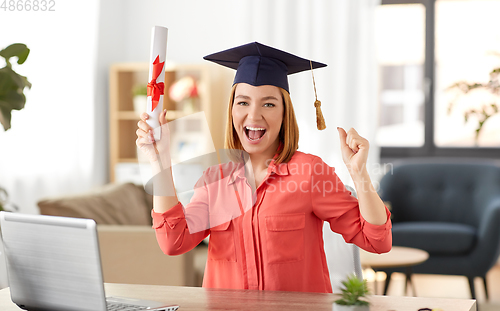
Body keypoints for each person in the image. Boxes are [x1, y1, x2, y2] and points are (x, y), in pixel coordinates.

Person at [136, 42, 392, 293]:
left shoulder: (310, 173)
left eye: (268, 104)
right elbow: (172, 241)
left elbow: (377, 240)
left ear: (284, 114)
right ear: (232, 110)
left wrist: (359, 173)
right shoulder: (214, 180)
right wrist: (160, 160)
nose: (254, 116)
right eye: (243, 102)